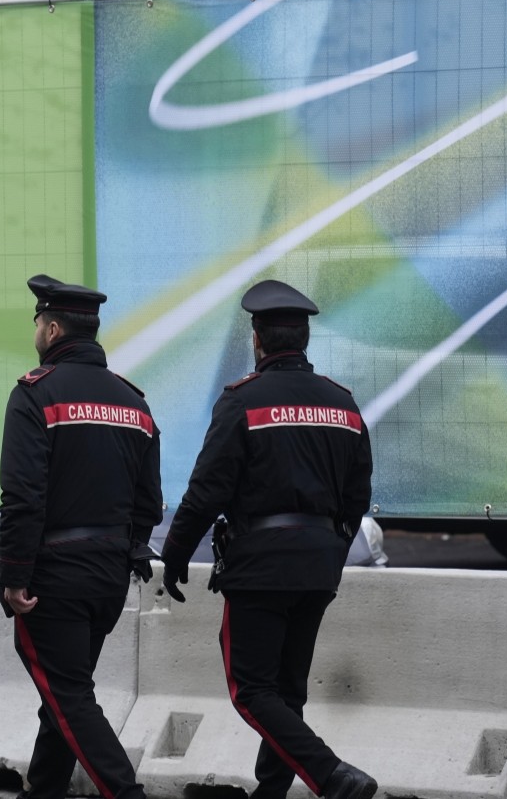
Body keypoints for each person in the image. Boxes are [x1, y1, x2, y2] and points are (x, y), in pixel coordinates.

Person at [159, 280, 377, 799]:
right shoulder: (343, 404)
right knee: (287, 689)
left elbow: (206, 491)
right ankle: (272, 792)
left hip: (259, 567)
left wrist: (175, 553)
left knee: (252, 690)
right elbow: (357, 496)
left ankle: (331, 775)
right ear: (304, 339)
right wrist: (331, 552)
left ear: (257, 339)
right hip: (318, 568)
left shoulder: (243, 401)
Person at [0, 274, 162, 799]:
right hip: (108, 577)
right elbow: (149, 502)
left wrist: (15, 575)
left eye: (37, 324)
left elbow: (23, 497)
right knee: (64, 696)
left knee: (68, 696)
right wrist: (121, 553)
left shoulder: (35, 393)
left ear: (51, 329)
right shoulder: (134, 403)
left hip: (53, 578)